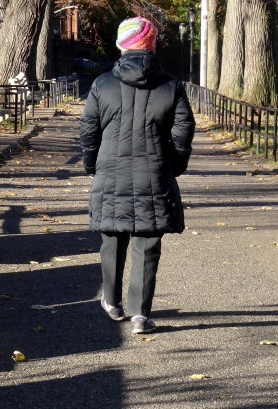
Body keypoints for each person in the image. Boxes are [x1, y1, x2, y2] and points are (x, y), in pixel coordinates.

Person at [80, 17, 195, 334]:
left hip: (110, 171)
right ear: (152, 44)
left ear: (122, 45)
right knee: (147, 243)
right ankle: (140, 315)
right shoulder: (171, 86)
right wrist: (174, 165)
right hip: (154, 173)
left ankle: (112, 301)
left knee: (111, 238)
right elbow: (183, 131)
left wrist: (91, 165)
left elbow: (88, 131)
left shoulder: (102, 84)